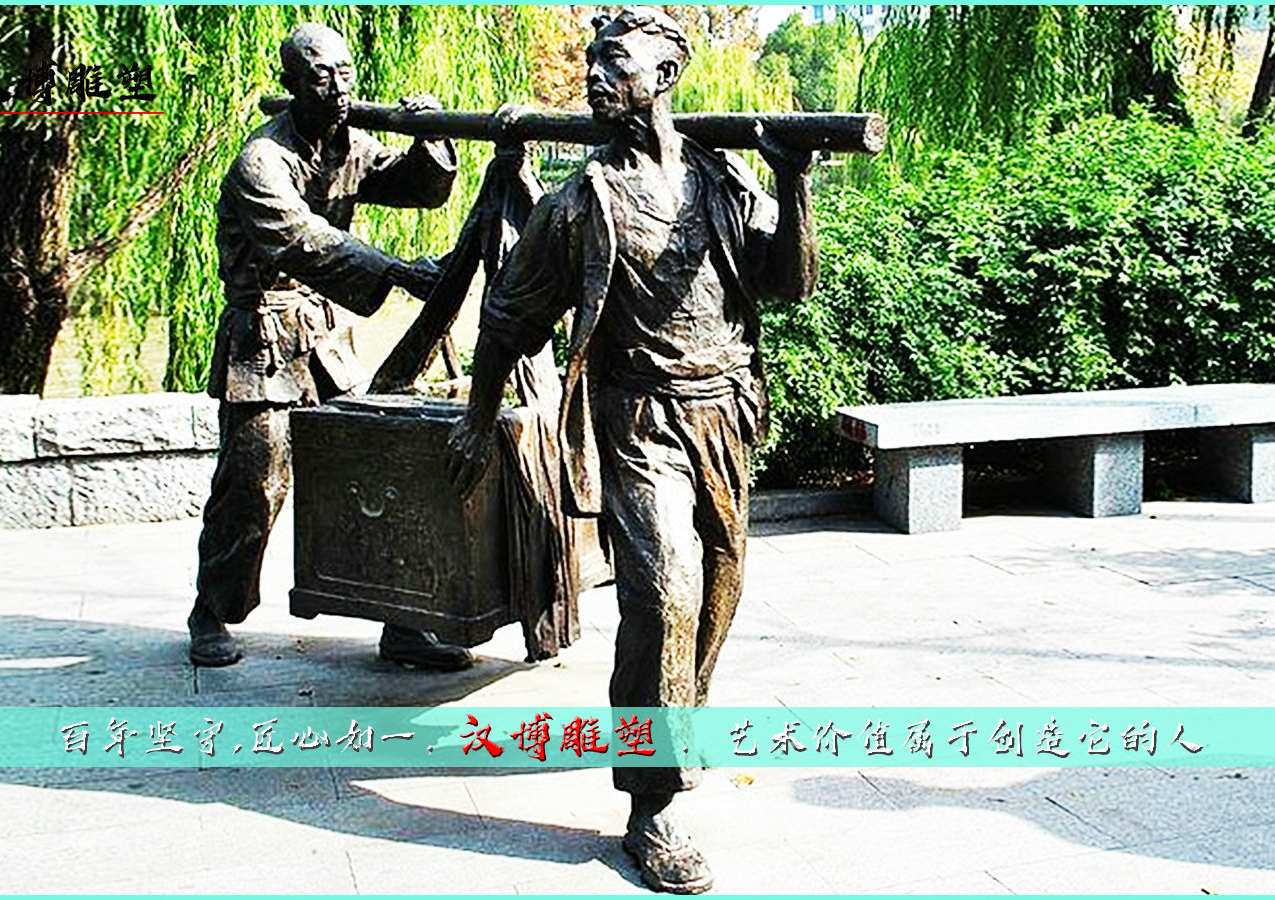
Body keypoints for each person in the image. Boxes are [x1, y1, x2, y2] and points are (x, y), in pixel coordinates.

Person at [446, 8, 817, 894]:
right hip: (637, 417)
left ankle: (673, 721)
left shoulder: (724, 180)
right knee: (664, 587)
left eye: (614, 61)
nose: (594, 75)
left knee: (721, 584)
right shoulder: (583, 202)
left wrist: (794, 182)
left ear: (666, 75)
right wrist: (478, 416)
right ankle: (653, 802)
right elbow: (509, 317)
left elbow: (788, 283)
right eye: (591, 61)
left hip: (725, 410)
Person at [190, 22, 472, 672]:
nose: (340, 87)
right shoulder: (261, 162)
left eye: (346, 73)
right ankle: (213, 608)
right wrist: (397, 271)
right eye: (322, 75)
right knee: (254, 484)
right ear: (292, 83)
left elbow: (418, 188)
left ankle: (403, 621)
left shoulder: (350, 143)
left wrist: (432, 138)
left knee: (376, 468)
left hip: (325, 342)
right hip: (263, 342)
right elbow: (302, 239)